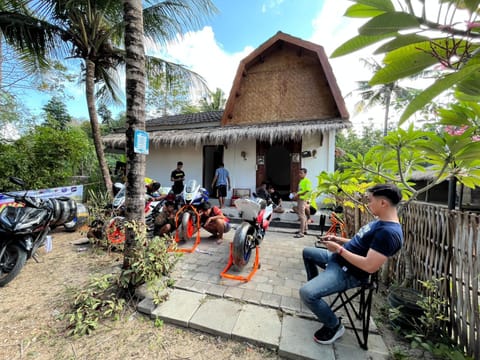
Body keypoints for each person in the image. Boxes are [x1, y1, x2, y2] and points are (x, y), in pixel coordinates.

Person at [299, 183, 404, 345]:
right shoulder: (380, 222)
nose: (368, 204)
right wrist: (337, 240)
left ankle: (334, 325)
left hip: (349, 272)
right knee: (307, 252)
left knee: (306, 293)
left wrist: (339, 250)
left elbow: (370, 266)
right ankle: (316, 290)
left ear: (383, 203)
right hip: (338, 260)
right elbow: (359, 243)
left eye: (371, 200)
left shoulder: (389, 233)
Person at [291, 168, 312, 238]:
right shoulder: (301, 181)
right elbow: (301, 190)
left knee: (302, 216)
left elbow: (307, 191)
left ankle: (301, 232)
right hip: (300, 199)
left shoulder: (307, 181)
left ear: (305, 174)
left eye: (301, 173)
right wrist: (296, 194)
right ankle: (305, 229)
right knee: (302, 215)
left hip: (303, 200)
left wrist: (298, 194)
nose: (300, 174)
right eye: (299, 173)